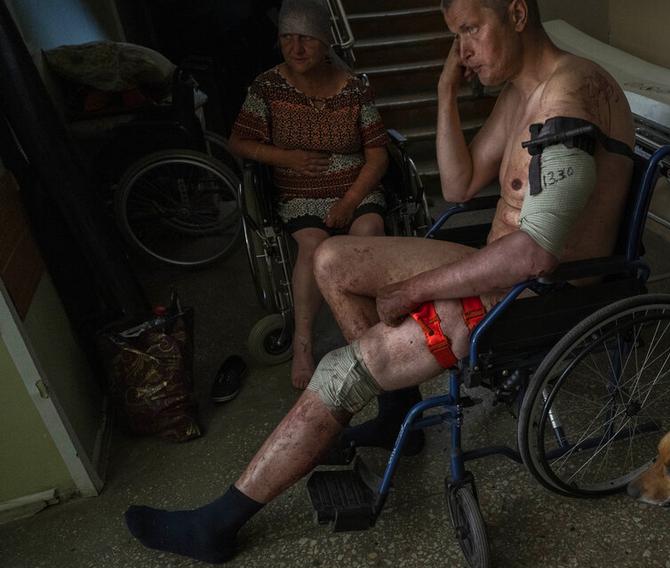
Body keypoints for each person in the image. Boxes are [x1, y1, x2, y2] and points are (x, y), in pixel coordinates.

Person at [124, 0, 636, 563]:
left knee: (340, 371)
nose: (462, 50)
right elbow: (460, 185)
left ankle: (218, 524)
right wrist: (444, 91)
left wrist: (418, 290)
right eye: (454, 36)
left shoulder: (570, 94)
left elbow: (537, 253)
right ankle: (398, 416)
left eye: (470, 30)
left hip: (532, 295)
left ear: (516, 13)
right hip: (499, 264)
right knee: (332, 261)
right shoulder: (521, 90)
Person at [227, 0, 389, 390]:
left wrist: (349, 201)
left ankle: (369, 332)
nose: (296, 49)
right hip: (300, 192)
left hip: (357, 188)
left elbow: (379, 154)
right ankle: (303, 343)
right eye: (287, 39)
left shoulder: (354, 89)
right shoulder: (268, 87)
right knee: (313, 246)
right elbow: (239, 141)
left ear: (326, 42)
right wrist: (287, 158)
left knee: (368, 233)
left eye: (307, 40)